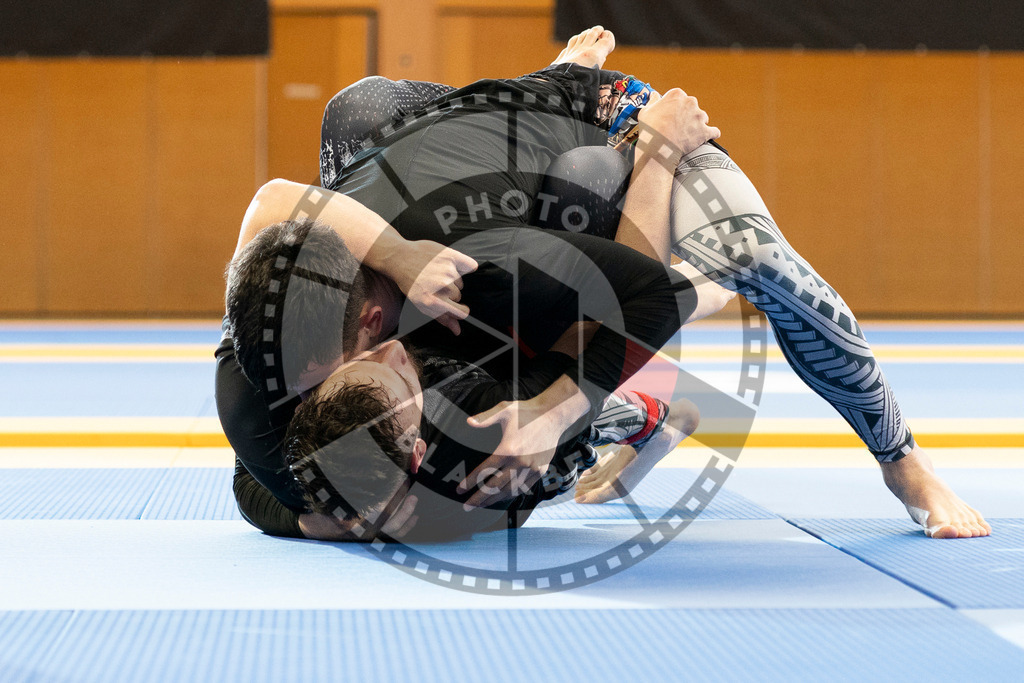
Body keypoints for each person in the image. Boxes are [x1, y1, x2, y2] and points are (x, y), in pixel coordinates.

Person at [219, 26, 721, 539]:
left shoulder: (472, 271)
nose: (300, 406)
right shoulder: (268, 360)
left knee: (364, 112)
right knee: (560, 402)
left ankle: (562, 85)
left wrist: (656, 152)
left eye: (313, 389)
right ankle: (639, 414)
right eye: (305, 396)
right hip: (480, 357)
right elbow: (252, 483)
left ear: (371, 325)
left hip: (478, 178)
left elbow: (273, 201)